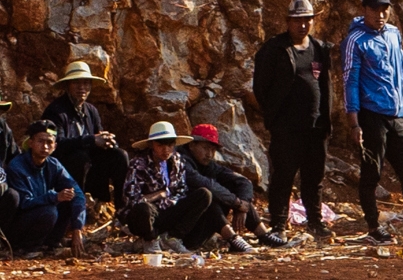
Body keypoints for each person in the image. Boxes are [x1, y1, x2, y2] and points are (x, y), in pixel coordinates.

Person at [340, 0, 403, 239]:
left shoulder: (393, 34)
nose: (380, 15)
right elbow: (350, 81)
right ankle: (373, 227)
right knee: (372, 173)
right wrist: (354, 122)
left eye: (384, 10)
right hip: (371, 116)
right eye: (374, 10)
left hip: (397, 114)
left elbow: (402, 70)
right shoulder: (355, 40)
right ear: (364, 10)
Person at [251, 0, 335, 242]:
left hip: (316, 127)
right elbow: (261, 87)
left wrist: (326, 120)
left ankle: (315, 221)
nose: (303, 25)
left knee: (314, 177)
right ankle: (279, 224)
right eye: (297, 20)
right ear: (288, 21)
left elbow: (325, 85)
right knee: (283, 176)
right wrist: (274, 115)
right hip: (287, 128)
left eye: (307, 20)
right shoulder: (275, 49)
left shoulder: (319, 49)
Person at [121, 118, 238, 252]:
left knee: (204, 194)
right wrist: (158, 195)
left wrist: (170, 200)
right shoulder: (138, 164)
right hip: (147, 215)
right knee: (143, 209)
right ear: (151, 145)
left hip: (169, 211)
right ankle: (150, 239)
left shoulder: (177, 161)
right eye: (160, 145)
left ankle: (172, 238)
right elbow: (131, 200)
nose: (166, 150)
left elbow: (181, 191)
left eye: (170, 145)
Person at [40, 59, 122, 209]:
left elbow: (98, 135)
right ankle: (76, 205)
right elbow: (56, 144)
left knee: (119, 155)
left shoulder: (91, 111)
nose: (82, 87)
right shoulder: (55, 111)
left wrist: (108, 141)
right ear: (67, 86)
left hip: (89, 166)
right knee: (80, 158)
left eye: (86, 83)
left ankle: (121, 207)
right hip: (64, 166)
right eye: (76, 83)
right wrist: (90, 140)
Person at [181, 123, 279, 245]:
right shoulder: (181, 161)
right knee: (208, 194)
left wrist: (243, 205)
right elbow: (206, 184)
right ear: (191, 145)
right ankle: (232, 238)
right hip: (183, 229)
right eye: (205, 148)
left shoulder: (209, 165)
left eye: (213, 150)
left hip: (202, 227)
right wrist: (236, 203)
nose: (209, 154)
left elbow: (243, 182)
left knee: (234, 189)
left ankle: (263, 234)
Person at [2, 121, 81, 255]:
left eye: (49, 142)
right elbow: (24, 203)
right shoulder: (17, 166)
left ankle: (50, 244)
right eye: (40, 141)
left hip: (39, 215)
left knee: (70, 199)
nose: (45, 146)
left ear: (55, 146)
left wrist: (77, 228)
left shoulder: (54, 164)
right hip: (20, 223)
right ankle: (25, 248)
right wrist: (54, 197)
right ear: (31, 143)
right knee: (49, 211)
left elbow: (77, 192)